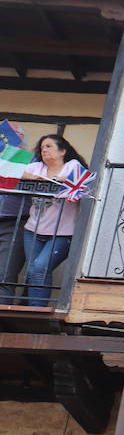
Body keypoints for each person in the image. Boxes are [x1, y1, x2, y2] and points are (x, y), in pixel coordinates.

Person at [18, 134, 88, 307]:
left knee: (40, 267)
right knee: (34, 269)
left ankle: (37, 309)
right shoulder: (37, 167)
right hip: (32, 230)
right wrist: (31, 178)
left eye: (49, 146)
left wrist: (57, 181)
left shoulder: (71, 166)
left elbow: (82, 179)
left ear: (62, 151)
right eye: (42, 148)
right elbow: (16, 171)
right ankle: (33, 308)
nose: (44, 150)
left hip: (61, 233)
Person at [0, 124, 29, 303]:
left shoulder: (30, 161)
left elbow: (45, 176)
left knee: (4, 272)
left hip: (14, 222)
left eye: (15, 135)